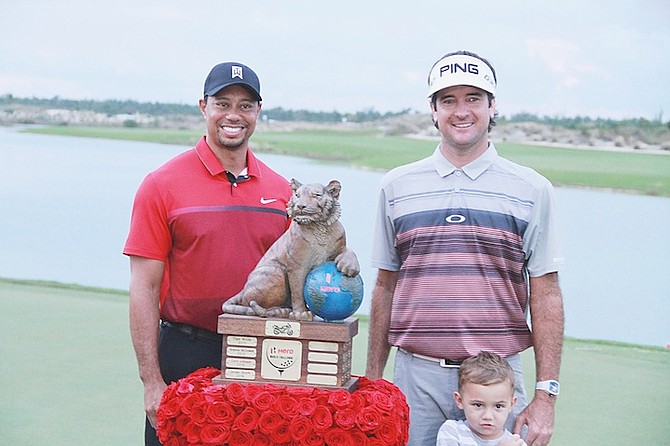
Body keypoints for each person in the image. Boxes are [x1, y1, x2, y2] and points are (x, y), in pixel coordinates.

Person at [366, 50, 564, 446]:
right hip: (416, 378)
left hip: (497, 383)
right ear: (433, 111)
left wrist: (546, 395)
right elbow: (385, 286)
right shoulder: (396, 186)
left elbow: (546, 293)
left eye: (473, 98)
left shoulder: (532, 188)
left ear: (493, 107)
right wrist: (373, 382)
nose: (461, 111)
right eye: (448, 100)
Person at [123, 62, 292, 445]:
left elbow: (294, 282)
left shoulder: (283, 192)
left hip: (259, 353)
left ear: (258, 112)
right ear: (204, 107)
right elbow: (144, 289)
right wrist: (151, 381)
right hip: (184, 351)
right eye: (222, 103)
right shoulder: (161, 185)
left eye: (246, 105)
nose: (234, 115)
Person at [436, 351, 527, 446]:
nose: (487, 416)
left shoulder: (516, 443)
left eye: (498, 406)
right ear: (459, 400)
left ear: (511, 404)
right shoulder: (451, 431)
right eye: (478, 405)